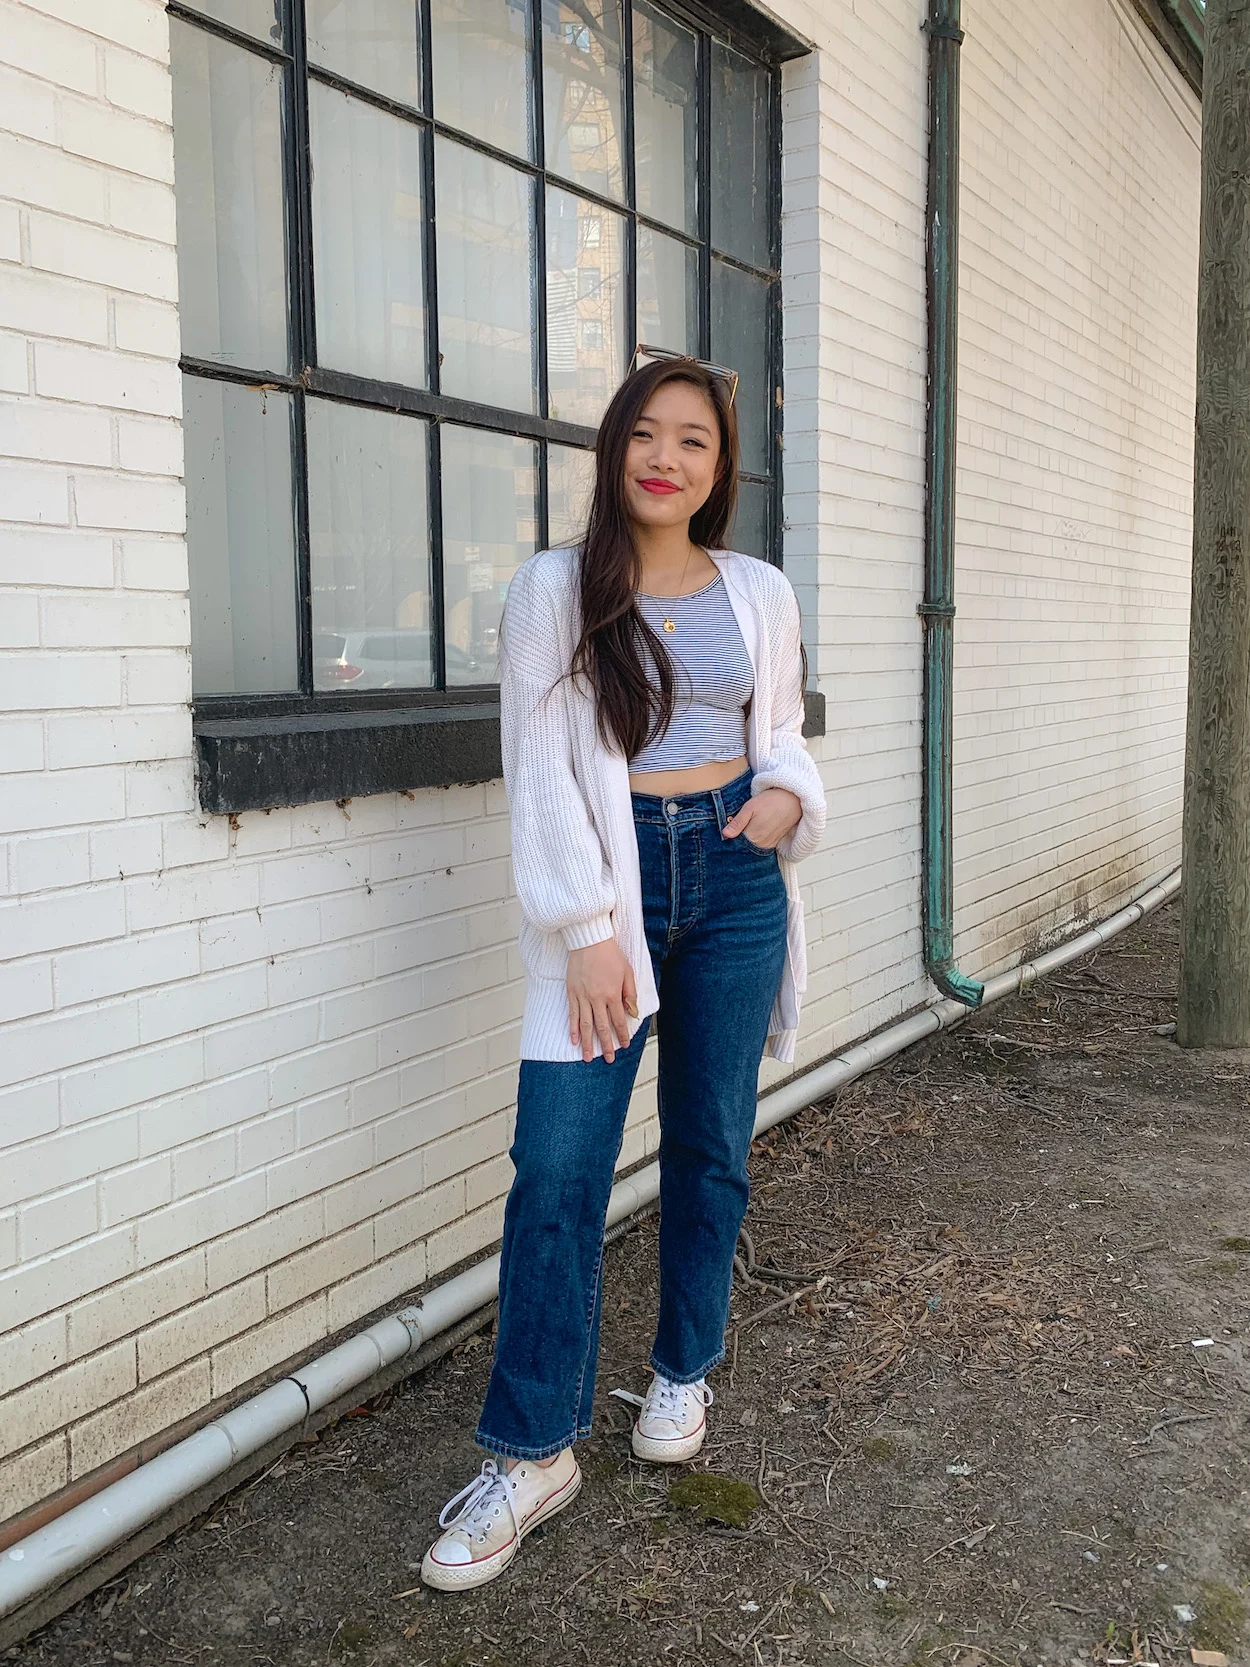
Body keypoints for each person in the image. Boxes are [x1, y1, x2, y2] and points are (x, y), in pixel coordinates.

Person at [421, 353, 827, 1591]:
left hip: (732, 877)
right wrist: (589, 924)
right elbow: (539, 762)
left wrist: (781, 803)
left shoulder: (756, 588)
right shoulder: (555, 588)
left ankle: (680, 1367)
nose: (665, 456)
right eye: (644, 434)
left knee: (710, 1142)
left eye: (692, 441)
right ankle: (535, 1448)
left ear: (719, 467)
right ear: (614, 449)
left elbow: (786, 731)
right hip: (610, 889)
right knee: (556, 1165)